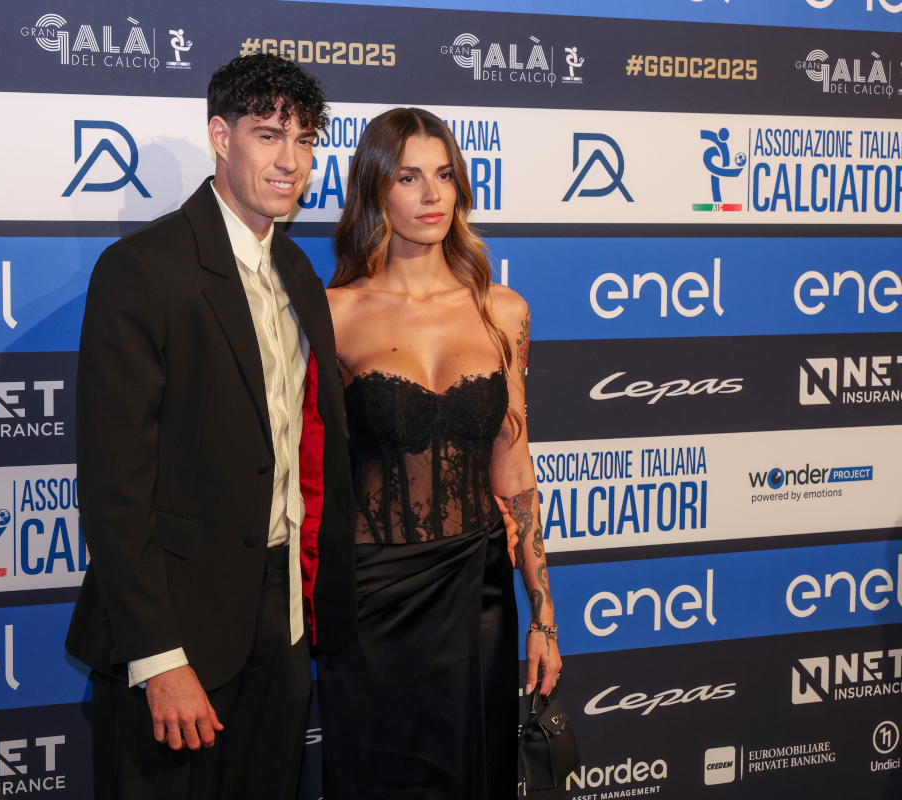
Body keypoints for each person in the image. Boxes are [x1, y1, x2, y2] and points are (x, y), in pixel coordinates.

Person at [65, 54, 358, 800]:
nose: (290, 160)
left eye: (304, 140)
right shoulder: (143, 269)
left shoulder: (298, 272)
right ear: (220, 138)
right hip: (179, 630)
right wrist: (159, 657)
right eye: (268, 135)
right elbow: (115, 488)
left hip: (282, 621)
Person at [318, 107, 562, 798]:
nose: (431, 195)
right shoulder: (333, 314)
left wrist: (543, 618)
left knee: (475, 775)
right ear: (375, 191)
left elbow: (514, 469)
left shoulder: (502, 311)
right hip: (371, 597)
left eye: (445, 175)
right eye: (408, 177)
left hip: (478, 587)